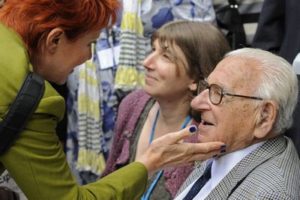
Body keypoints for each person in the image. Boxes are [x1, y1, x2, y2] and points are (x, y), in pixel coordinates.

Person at [0, 1, 227, 200]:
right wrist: (148, 164)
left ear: (196, 77)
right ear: (54, 39)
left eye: (166, 56)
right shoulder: (32, 99)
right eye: (90, 43)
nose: (90, 57)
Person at [101, 20, 230, 199]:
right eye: (153, 50)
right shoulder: (133, 104)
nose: (146, 62)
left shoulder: (207, 135)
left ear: (195, 79)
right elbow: (109, 176)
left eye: (166, 56)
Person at [175, 48, 300, 200]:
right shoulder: (225, 147)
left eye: (218, 93)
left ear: (264, 117)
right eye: (207, 88)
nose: (196, 103)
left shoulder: (271, 195)